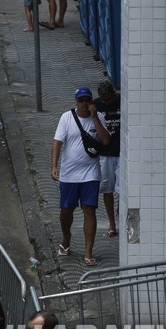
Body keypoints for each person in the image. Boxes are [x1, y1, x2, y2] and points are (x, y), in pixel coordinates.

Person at [52, 87, 110, 266]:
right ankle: (66, 237)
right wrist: (54, 166)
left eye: (87, 100)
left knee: (89, 210)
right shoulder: (66, 118)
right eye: (81, 100)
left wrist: (94, 117)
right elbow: (57, 143)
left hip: (90, 174)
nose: (84, 103)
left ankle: (88, 252)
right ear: (76, 102)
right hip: (69, 174)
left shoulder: (98, 118)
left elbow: (106, 141)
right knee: (66, 210)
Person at [93, 80, 121, 238]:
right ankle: (112, 224)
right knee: (107, 190)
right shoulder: (96, 106)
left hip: (123, 154)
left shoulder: (123, 101)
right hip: (105, 155)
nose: (107, 102)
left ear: (114, 93)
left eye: (109, 99)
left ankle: (122, 218)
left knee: (124, 190)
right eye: (104, 100)